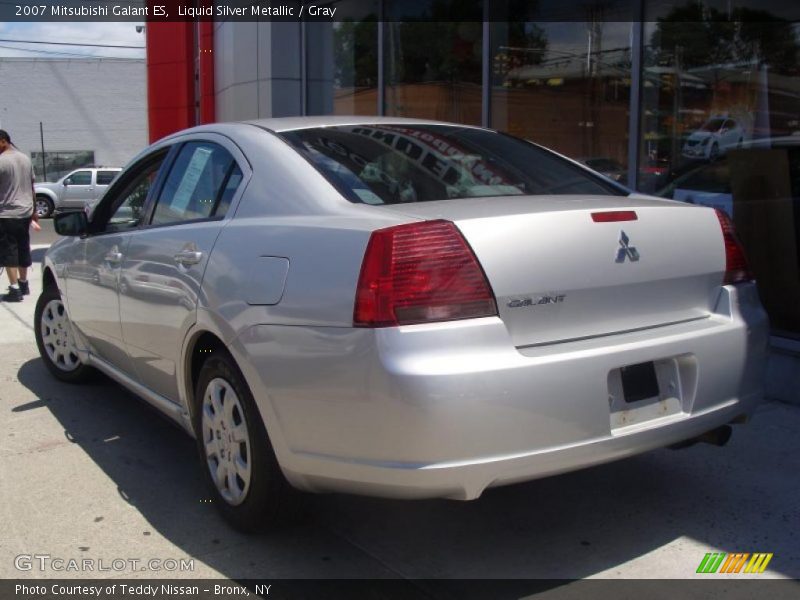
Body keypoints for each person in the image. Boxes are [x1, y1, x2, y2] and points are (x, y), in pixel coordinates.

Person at [0, 129, 36, 302]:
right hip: (25, 211)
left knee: (9, 251)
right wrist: (34, 211)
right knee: (23, 247)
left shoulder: (1, 161)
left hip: (7, 213)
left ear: (3, 141)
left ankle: (14, 289)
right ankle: (23, 283)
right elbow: (32, 186)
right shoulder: (25, 159)